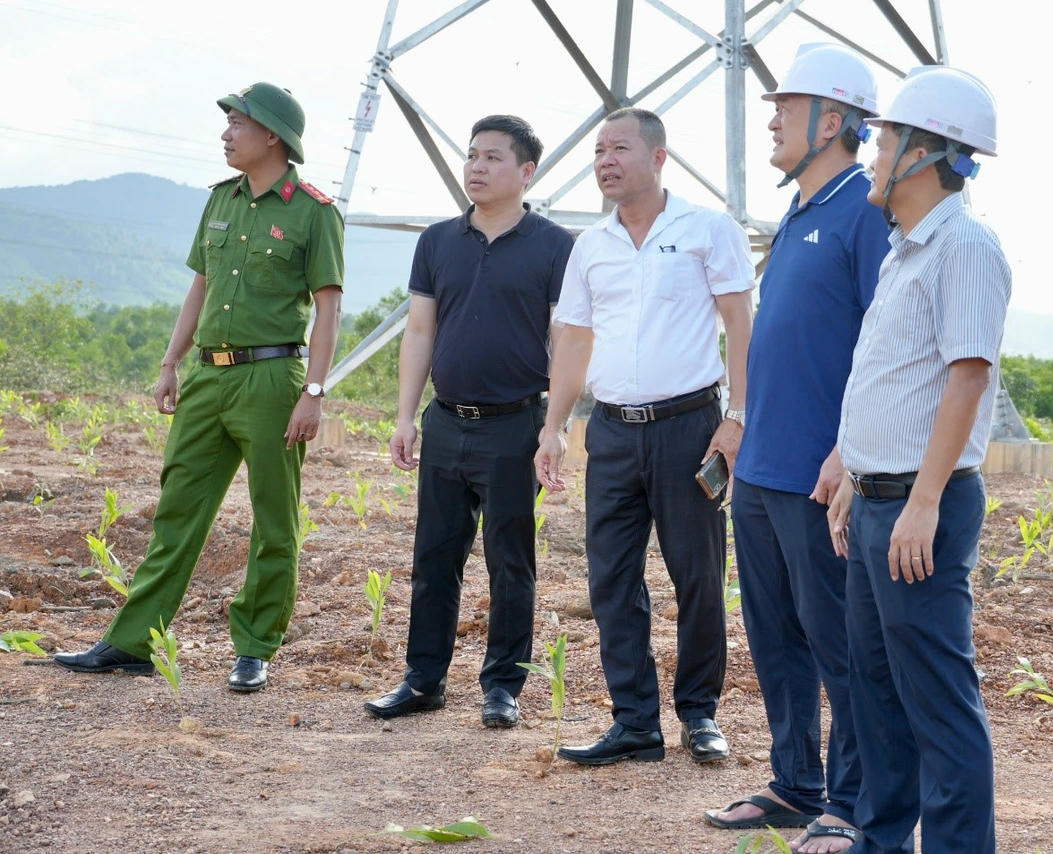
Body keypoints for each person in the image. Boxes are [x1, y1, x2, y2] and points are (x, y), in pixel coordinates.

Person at [54, 82, 344, 693]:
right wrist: (171, 363)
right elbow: (200, 288)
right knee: (177, 510)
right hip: (207, 377)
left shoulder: (314, 212)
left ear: (273, 136)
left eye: (238, 123)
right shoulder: (220, 201)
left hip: (272, 378)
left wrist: (314, 393)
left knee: (273, 519)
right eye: (228, 122)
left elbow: (328, 309)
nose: (226, 133)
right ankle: (133, 641)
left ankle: (255, 647)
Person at [701, 44, 889, 854]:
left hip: (820, 474)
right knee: (775, 638)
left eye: (789, 105)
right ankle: (794, 783)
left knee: (837, 644)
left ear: (836, 120)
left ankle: (852, 802)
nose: (772, 118)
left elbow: (887, 341)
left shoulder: (865, 210)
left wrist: (848, 448)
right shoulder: (800, 213)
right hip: (762, 466)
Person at [534, 107, 754, 766]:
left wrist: (738, 415)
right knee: (611, 578)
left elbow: (740, 324)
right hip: (611, 432)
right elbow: (574, 338)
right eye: (599, 150)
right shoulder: (590, 245)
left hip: (690, 428)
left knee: (698, 575)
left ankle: (700, 713)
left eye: (620, 148)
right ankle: (633, 721)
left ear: (658, 157)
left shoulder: (707, 229)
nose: (605, 160)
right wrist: (553, 427)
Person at [826, 66, 1009, 853]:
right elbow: (895, 378)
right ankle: (882, 840)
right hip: (880, 501)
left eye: (884, 141)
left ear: (924, 154)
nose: (871, 155)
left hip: (920, 508)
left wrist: (923, 501)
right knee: (877, 693)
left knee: (936, 698)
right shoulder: (904, 252)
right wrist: (856, 475)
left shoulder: (964, 247)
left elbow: (968, 377)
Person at [363, 115, 574, 727]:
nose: (476, 167)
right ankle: (423, 679)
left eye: (492, 158)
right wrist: (406, 417)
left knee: (510, 562)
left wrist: (555, 427)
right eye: (472, 155)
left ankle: (503, 687)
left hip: (515, 426)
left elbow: (567, 340)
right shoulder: (437, 241)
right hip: (446, 421)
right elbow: (419, 331)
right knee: (434, 557)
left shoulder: (555, 246)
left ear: (526, 171)